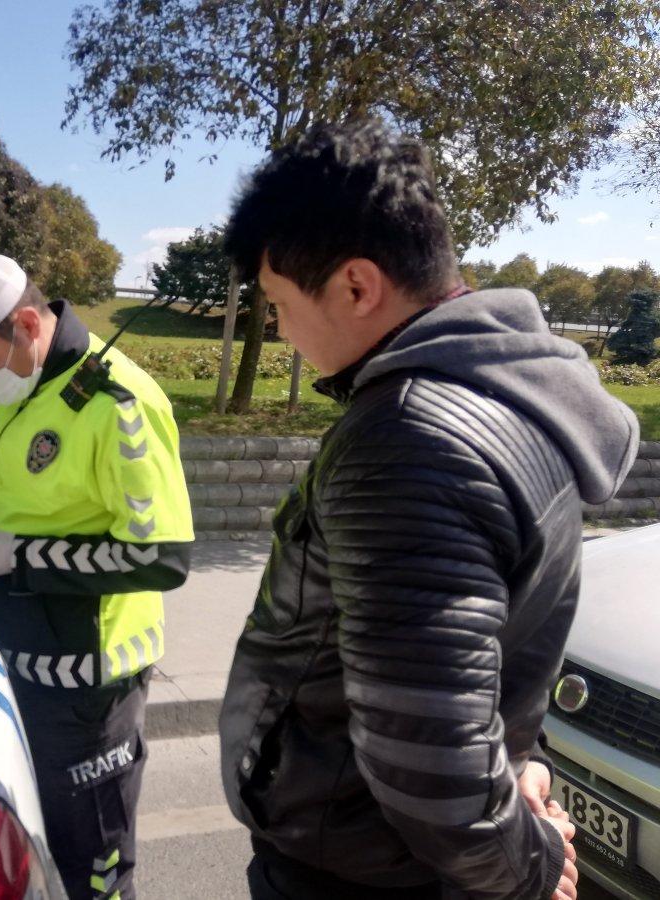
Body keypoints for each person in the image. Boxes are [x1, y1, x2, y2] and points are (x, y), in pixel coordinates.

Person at [217, 119, 638, 900]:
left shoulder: (408, 438)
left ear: (355, 285)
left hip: (357, 868)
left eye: (276, 302)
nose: (275, 329)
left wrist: (536, 868)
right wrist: (526, 763)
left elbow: (430, 760)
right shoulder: (520, 396)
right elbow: (493, 644)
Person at [0, 252, 194, 900]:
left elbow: (163, 557)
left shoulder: (117, 401)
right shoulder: (24, 389)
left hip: (90, 690)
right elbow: (24, 503)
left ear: (26, 325)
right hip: (20, 671)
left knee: (97, 876)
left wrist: (16, 556)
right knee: (39, 863)